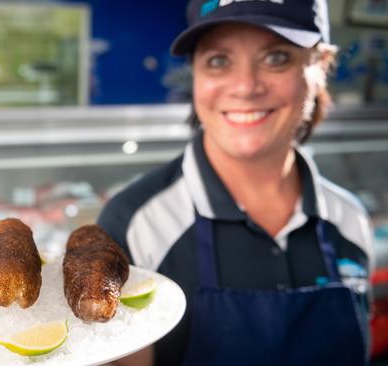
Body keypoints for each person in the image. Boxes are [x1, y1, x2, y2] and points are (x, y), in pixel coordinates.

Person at [98, 1, 374, 365]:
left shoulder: (349, 219)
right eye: (218, 61)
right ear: (195, 74)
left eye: (276, 58)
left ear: (320, 66)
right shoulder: (135, 225)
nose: (245, 87)